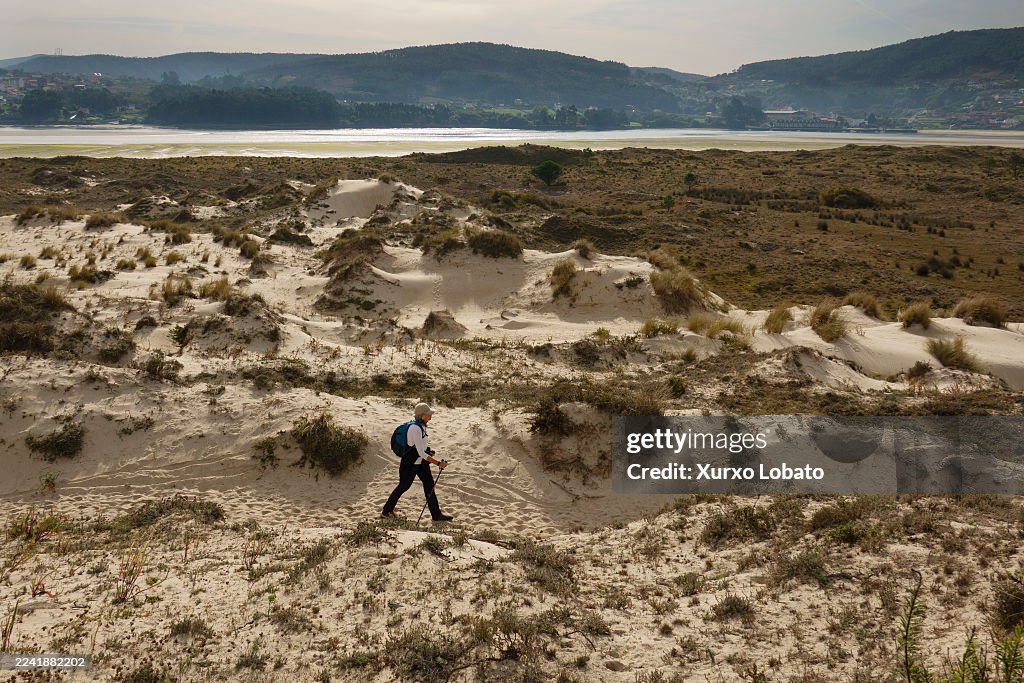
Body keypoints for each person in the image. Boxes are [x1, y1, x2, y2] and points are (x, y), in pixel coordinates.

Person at [382, 403, 453, 522]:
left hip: (420, 463)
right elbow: (421, 453)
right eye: (428, 414)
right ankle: (386, 511)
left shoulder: (422, 426)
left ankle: (436, 515)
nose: (431, 416)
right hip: (410, 463)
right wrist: (437, 463)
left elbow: (421, 449)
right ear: (422, 415)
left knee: (429, 485)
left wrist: (429, 452)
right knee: (404, 486)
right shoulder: (415, 428)